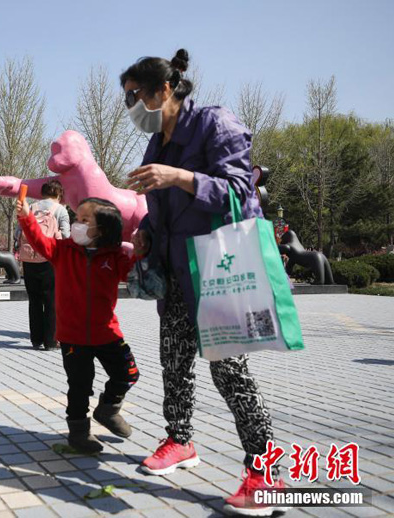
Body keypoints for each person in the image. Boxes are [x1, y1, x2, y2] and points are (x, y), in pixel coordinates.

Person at [121, 49, 287, 516]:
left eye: (135, 96)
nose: (131, 107)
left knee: (228, 371)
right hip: (175, 274)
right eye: (127, 99)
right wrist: (146, 234)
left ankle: (265, 471)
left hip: (219, 271)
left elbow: (238, 191)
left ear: (165, 90)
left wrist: (180, 176)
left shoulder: (216, 125)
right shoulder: (156, 144)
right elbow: (164, 211)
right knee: (173, 360)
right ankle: (180, 440)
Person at [16, 196, 139, 453]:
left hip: (107, 332)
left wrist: (141, 249)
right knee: (79, 386)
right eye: (76, 218)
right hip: (72, 337)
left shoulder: (115, 256)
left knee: (128, 373)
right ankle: (79, 433)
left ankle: (108, 410)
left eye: (84, 220)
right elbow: (39, 241)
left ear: (103, 228)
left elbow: (133, 274)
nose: (76, 224)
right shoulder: (63, 251)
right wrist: (26, 216)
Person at [16, 180, 70, 350]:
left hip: (28, 259)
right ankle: (51, 341)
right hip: (50, 259)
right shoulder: (60, 210)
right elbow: (66, 236)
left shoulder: (30, 207)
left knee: (34, 300)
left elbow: (19, 231)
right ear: (59, 194)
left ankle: (36, 339)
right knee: (51, 300)